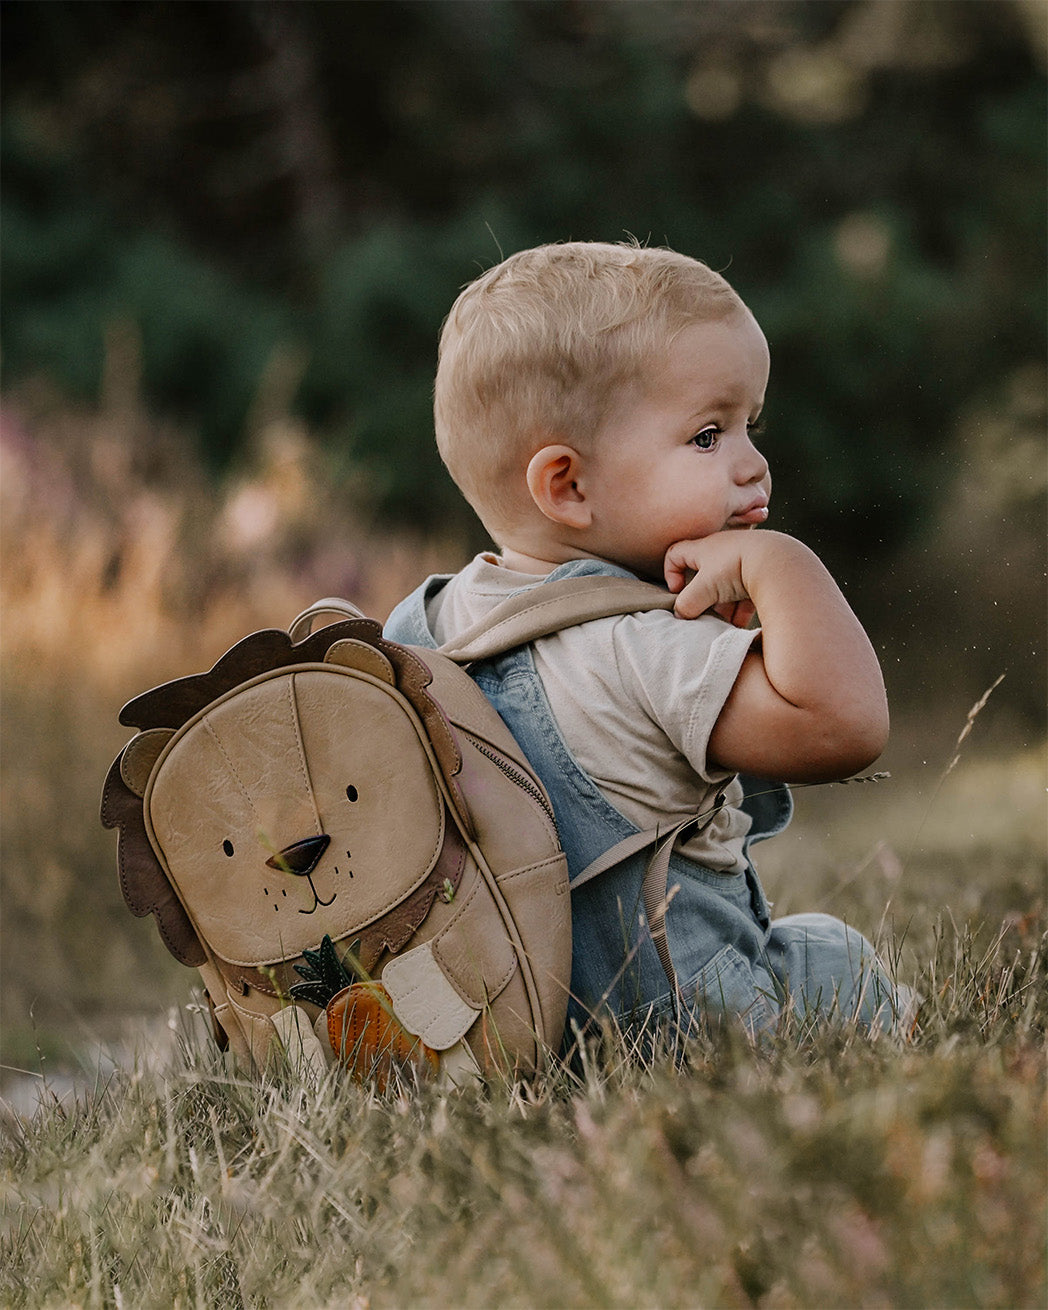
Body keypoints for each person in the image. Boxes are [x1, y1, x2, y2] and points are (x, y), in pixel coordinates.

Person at [384, 241, 915, 1047]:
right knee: (834, 958)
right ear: (568, 486)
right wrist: (784, 566)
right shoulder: (640, 646)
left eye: (748, 427)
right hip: (682, 1024)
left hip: (510, 1031)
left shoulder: (417, 633)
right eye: (709, 436)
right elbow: (843, 725)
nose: (754, 463)